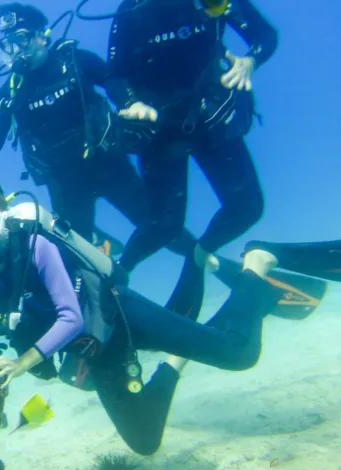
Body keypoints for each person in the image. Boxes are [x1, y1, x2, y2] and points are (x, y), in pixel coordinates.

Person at [0, 178, 341, 455]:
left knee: (239, 353)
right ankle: (175, 357)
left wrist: (20, 364)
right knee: (145, 442)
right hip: (99, 351)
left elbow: (70, 317)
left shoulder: (38, 246)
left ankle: (258, 261)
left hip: (121, 318)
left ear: (6, 218)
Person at [0, 3, 194, 258]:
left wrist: (130, 102)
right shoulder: (11, 91)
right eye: (8, 43)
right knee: (77, 256)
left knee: (159, 226)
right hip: (66, 185)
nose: (15, 50)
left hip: (110, 166)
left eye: (22, 39)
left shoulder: (75, 61)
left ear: (42, 36)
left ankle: (209, 263)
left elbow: (113, 80)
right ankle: (105, 267)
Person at [103, 0, 279, 292]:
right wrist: (129, 102)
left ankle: (200, 253)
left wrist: (250, 60)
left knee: (248, 207)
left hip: (210, 117)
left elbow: (265, 36)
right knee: (165, 226)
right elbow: (114, 75)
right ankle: (115, 275)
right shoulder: (132, 9)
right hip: (158, 128)